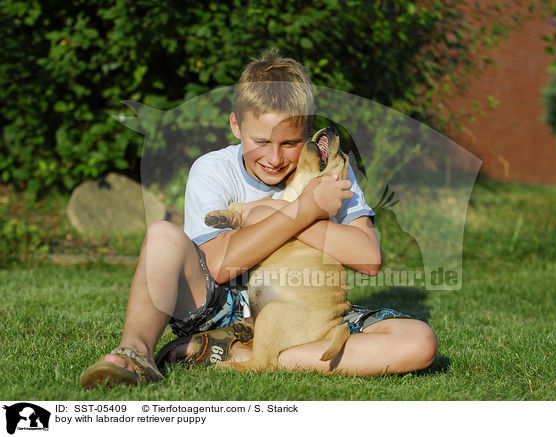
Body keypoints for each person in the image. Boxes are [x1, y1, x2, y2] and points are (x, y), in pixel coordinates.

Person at [80, 49, 437, 388]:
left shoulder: (327, 170)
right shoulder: (212, 169)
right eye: (261, 141)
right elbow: (219, 265)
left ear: (308, 131)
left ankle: (240, 354)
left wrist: (268, 211)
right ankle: (135, 352)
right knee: (161, 234)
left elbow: (368, 258)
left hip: (302, 309)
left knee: (418, 341)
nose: (275, 158)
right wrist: (304, 209)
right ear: (236, 125)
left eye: (289, 143)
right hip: (220, 307)